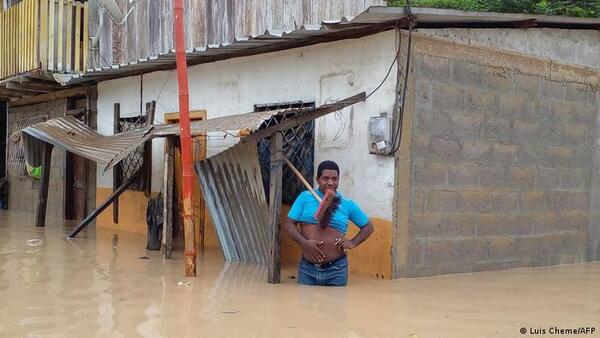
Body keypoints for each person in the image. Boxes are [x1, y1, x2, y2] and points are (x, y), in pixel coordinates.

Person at [284, 160, 374, 286]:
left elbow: (368, 227)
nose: (331, 182)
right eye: (325, 178)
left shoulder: (347, 204)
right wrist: (303, 242)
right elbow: (288, 224)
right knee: (303, 305)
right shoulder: (305, 197)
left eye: (334, 179)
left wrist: (352, 242)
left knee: (336, 305)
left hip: (336, 270)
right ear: (317, 179)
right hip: (307, 269)